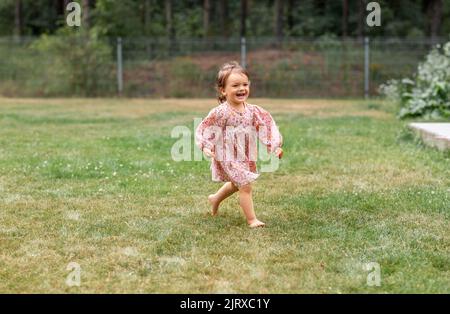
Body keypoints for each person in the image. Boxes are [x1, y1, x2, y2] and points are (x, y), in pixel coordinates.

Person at [195, 61, 283, 228]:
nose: (242, 88)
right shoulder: (221, 111)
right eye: (235, 85)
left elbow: (266, 126)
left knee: (237, 184)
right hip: (227, 154)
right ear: (223, 90)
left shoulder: (253, 111)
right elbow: (207, 127)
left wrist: (274, 145)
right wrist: (206, 146)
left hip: (245, 154)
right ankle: (252, 220)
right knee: (245, 186)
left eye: (245, 84)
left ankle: (215, 198)